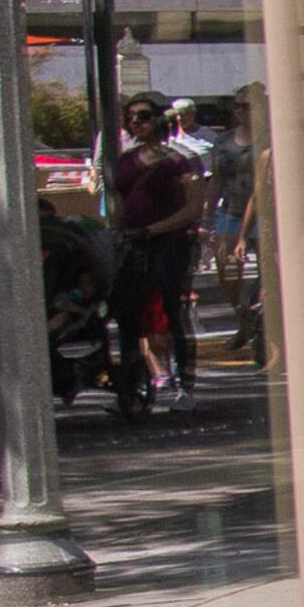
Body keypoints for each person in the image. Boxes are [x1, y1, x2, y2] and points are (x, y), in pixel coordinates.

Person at [106, 90, 205, 416]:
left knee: (172, 311)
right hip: (132, 245)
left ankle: (184, 386)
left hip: (171, 245)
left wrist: (154, 229)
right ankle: (134, 386)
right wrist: (114, 233)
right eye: (131, 117)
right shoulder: (124, 160)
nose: (136, 122)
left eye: (144, 116)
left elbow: (193, 207)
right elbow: (120, 205)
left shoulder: (180, 158)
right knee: (128, 313)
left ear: (160, 119)